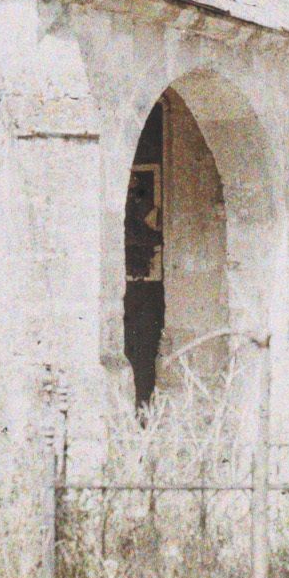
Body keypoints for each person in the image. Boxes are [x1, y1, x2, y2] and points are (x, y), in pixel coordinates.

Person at [123, 170, 164, 409]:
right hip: (133, 291)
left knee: (145, 351)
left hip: (146, 291)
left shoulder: (141, 207)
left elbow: (153, 230)